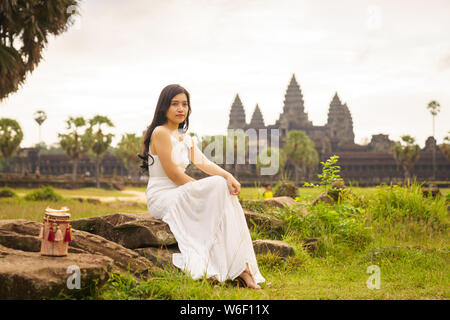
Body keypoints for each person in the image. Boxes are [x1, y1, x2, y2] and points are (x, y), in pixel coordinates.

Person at [138, 84, 265, 289]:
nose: (181, 109)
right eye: (175, 104)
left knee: (222, 187)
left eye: (185, 104)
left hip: (181, 192)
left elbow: (204, 163)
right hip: (162, 196)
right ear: (164, 107)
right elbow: (173, 174)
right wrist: (203, 192)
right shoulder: (160, 133)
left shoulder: (186, 137)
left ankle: (243, 267)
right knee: (216, 188)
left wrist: (228, 175)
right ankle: (239, 270)